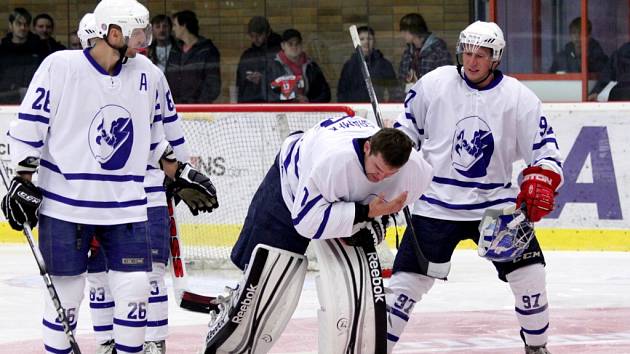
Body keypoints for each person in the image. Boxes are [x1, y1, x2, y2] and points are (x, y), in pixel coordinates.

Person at [0, 1, 217, 354]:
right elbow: (28, 130)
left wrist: (179, 173)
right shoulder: (60, 67)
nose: (144, 40)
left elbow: (150, 139)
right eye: (137, 33)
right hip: (66, 207)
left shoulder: (144, 72)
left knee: (135, 289)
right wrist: (21, 181)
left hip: (125, 207)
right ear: (113, 33)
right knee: (65, 297)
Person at [388, 21, 563, 354]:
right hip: (435, 203)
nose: (472, 61)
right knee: (402, 288)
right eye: (467, 53)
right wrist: (395, 158)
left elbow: (546, 153)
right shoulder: (434, 84)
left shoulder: (518, 97)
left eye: (481, 55)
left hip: (494, 208)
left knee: (530, 275)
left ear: (495, 58)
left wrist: (542, 176)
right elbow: (406, 131)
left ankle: (537, 348)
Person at [202, 116, 432, 353]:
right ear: (367, 147)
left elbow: (408, 203)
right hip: (291, 187)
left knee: (355, 291)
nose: (380, 179)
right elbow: (305, 222)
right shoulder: (331, 162)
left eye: (388, 174)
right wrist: (365, 211)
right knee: (265, 274)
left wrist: (380, 223)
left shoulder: (415, 170)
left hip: (348, 200)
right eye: (377, 170)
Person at [165, 10, 221, 103]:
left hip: (198, 111)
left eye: (175, 25)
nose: (173, 29)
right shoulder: (175, 50)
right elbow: (167, 77)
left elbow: (212, 83)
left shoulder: (207, 50)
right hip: (175, 109)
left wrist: (198, 105)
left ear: (184, 26)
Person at [337, 25, 400, 103]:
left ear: (374, 41)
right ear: (356, 42)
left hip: (379, 109)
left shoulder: (384, 64)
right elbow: (341, 93)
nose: (366, 42)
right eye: (362, 39)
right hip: (354, 109)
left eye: (369, 38)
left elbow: (394, 92)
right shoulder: (349, 66)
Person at [267, 28, 331, 103]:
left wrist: (309, 101)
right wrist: (292, 101)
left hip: (310, 112)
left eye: (297, 43)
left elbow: (325, 94)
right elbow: (269, 95)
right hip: (283, 113)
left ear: (301, 45)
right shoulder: (273, 67)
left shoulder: (311, 66)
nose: (294, 47)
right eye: (290, 44)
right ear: (283, 46)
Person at [0, 8, 46, 104]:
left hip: (34, 99)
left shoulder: (39, 48)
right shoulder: (3, 50)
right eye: (18, 24)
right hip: (6, 98)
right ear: (10, 25)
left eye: (26, 24)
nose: (22, 28)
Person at [398, 13, 452, 93]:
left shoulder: (438, 49)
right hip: (410, 99)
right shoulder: (408, 52)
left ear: (414, 30)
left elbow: (446, 78)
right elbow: (401, 78)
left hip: (432, 100)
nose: (402, 34)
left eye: (405, 31)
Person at [236, 16, 282, 103]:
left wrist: (263, 79)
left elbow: (284, 78)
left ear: (268, 33)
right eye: (252, 36)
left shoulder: (279, 52)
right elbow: (240, 84)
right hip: (250, 104)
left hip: (274, 103)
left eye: (259, 35)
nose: (255, 39)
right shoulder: (247, 55)